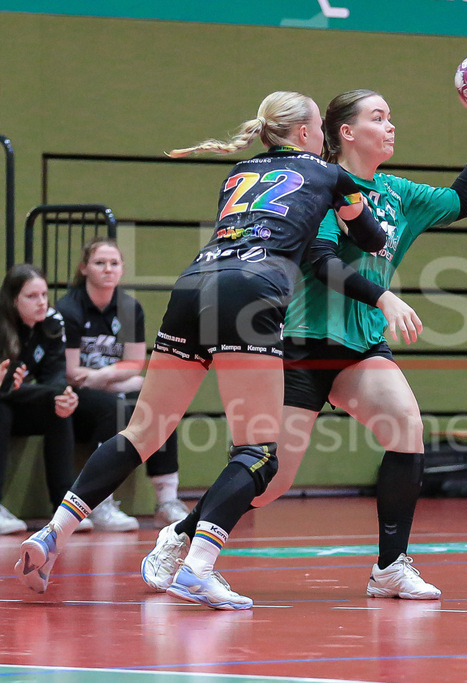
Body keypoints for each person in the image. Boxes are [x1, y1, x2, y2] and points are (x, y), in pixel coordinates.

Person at [16, 90, 389, 610]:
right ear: (307, 133)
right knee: (258, 453)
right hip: (250, 290)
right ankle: (197, 569)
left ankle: (55, 531)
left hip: (194, 285)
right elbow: (371, 239)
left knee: (143, 431)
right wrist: (356, 207)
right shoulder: (332, 175)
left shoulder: (236, 175)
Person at [141, 87, 467, 601]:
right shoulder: (321, 184)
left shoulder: (399, 194)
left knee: (405, 425)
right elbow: (323, 262)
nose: (391, 125)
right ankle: (180, 537)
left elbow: (462, 200)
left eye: (391, 116)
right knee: (272, 479)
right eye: (379, 117)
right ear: (348, 133)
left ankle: (390, 567)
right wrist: (384, 297)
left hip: (361, 347)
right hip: (303, 345)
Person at [56, 237, 189, 530]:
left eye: (114, 263)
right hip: (76, 395)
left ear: (122, 269)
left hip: (104, 384)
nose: (108, 269)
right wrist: (112, 377)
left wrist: (100, 376)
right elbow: (71, 372)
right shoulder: (69, 309)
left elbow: (135, 363)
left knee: (161, 401)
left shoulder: (129, 308)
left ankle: (167, 499)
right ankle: (100, 503)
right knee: (111, 407)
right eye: (99, 263)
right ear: (84, 268)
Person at [0, 264, 86, 534]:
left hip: (21, 401)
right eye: (31, 296)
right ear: (13, 300)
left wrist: (63, 396)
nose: (41, 302)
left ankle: (63, 506)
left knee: (58, 408)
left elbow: (55, 376)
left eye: (44, 295)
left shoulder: (51, 323)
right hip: (3, 404)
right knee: (1, 409)